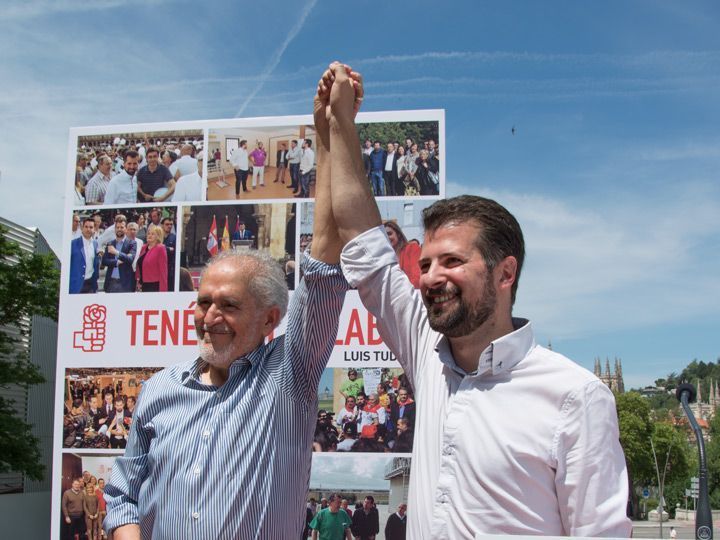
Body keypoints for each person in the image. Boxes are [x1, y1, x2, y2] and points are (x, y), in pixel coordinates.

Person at [319, 61, 631, 538]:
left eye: (452, 262)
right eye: (424, 265)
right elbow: (362, 238)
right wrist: (339, 123)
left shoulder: (575, 396)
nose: (430, 278)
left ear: (506, 272)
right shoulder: (427, 353)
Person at [102, 85, 350, 538]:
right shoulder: (159, 389)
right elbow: (123, 497)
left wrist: (330, 134)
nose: (209, 315)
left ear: (271, 319)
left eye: (230, 305)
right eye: (204, 301)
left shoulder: (287, 376)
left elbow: (323, 264)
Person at [102, 214, 137, 293]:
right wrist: (117, 262)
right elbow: (104, 261)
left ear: (126, 229)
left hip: (125, 283)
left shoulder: (132, 243)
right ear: (115, 229)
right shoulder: (110, 243)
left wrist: (116, 252)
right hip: (111, 282)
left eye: (122, 227)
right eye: (117, 227)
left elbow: (130, 259)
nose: (119, 229)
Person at [383, 221, 421, 288]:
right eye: (384, 235)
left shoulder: (412, 248)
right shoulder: (384, 258)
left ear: (398, 234)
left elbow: (418, 278)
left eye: (389, 234)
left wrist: (398, 288)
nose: (387, 238)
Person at [69, 217, 101, 294]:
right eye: (86, 227)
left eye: (91, 227)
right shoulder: (72, 244)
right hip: (76, 285)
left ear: (94, 229)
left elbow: (96, 263)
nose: (88, 229)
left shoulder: (95, 244)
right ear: (82, 228)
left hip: (90, 285)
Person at [135, 224, 168, 292]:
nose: (149, 235)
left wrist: (163, 291)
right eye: (148, 233)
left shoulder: (161, 248)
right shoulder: (144, 247)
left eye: (153, 234)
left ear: (158, 236)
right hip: (143, 284)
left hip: (154, 285)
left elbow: (163, 271)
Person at [162, 217, 176, 291]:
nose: (169, 226)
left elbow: (174, 251)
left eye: (171, 224)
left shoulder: (174, 237)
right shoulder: (158, 237)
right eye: (167, 224)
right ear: (162, 225)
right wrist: (168, 249)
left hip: (170, 268)